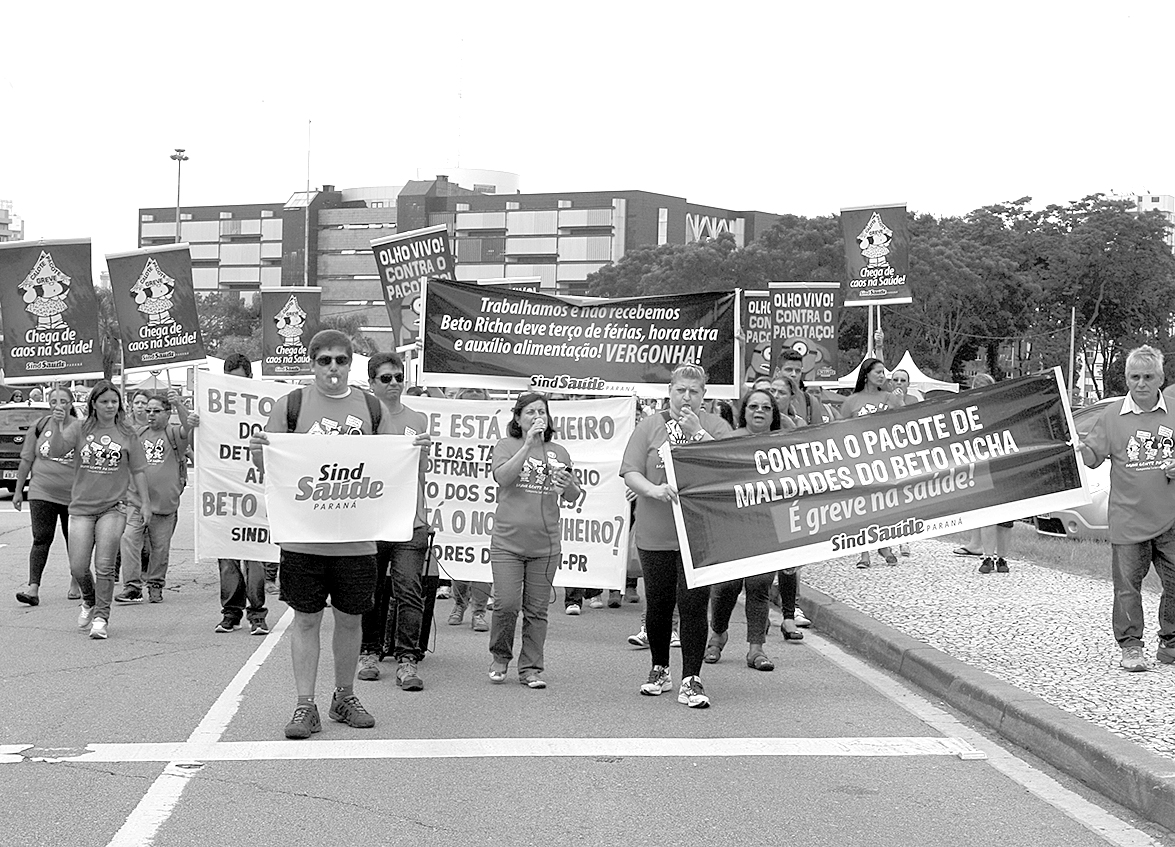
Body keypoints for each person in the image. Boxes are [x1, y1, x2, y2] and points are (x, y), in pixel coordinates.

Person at [250, 330, 394, 738]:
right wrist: (261, 447)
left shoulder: (371, 406)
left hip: (356, 538)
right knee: (307, 620)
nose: (333, 367)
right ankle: (304, 705)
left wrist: (412, 449)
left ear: (352, 364)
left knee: (350, 621)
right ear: (312, 363)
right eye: (325, 360)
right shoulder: (291, 406)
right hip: (303, 537)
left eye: (341, 360)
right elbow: (270, 468)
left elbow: (386, 465)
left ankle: (344, 697)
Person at [622, 362, 732, 708]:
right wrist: (652, 491)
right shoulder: (650, 427)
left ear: (704, 395)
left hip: (698, 534)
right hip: (656, 532)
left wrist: (699, 433)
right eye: (680, 390)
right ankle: (659, 668)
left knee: (693, 604)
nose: (686, 397)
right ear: (669, 391)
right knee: (658, 604)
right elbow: (630, 471)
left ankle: (691, 679)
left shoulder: (714, 425)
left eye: (694, 391)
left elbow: (728, 465)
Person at [1077, 345, 1175, 672]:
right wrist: (1079, 447)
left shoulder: (1174, 412)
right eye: (1135, 377)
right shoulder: (1112, 415)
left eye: (1149, 377)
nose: (1142, 383)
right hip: (1127, 520)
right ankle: (1131, 646)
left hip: (1170, 519)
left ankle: (1170, 642)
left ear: (1161, 378)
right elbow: (1091, 457)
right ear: (1126, 379)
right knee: (1127, 589)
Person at [487, 392, 581, 688]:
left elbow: (574, 496)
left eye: (542, 411)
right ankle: (500, 656)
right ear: (517, 418)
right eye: (530, 412)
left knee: (537, 611)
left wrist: (568, 486)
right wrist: (528, 445)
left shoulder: (560, 452)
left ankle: (530, 668)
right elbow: (502, 477)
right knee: (506, 604)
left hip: (545, 546)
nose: (538, 416)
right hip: (508, 543)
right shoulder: (506, 446)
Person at [51, 381, 150, 640]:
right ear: (93, 403)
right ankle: (89, 599)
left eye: (114, 401)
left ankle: (101, 617)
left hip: (114, 507)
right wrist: (59, 424)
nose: (109, 406)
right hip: (82, 508)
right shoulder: (80, 428)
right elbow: (56, 450)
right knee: (78, 567)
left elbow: (138, 470)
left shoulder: (127, 433)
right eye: (104, 401)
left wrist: (146, 503)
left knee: (105, 565)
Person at [357, 352, 431, 690]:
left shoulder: (418, 420)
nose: (394, 384)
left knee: (409, 589)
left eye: (399, 377)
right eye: (386, 378)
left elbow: (420, 473)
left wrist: (424, 452)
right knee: (369, 589)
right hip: (372, 519)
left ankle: (407, 659)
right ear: (372, 383)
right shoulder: (360, 419)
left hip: (410, 520)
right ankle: (369, 651)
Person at [705, 388, 783, 671]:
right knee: (726, 585)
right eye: (753, 406)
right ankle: (717, 634)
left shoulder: (785, 444)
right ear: (744, 411)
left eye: (765, 407)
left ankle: (756, 649)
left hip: (769, 526)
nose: (759, 411)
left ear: (774, 414)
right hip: (732, 525)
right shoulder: (730, 442)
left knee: (759, 585)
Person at [208, 354, 273, 634]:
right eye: (229, 380)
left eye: (239, 380)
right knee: (227, 557)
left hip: (255, 492)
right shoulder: (213, 408)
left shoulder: (264, 408)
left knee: (255, 556)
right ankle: (230, 613)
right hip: (226, 492)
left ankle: (257, 614)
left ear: (250, 379)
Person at [114, 389, 195, 605]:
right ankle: (132, 587)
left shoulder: (174, 433)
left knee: (160, 548)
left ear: (167, 413)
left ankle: (156, 585)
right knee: (129, 539)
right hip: (137, 502)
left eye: (156, 411)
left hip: (165, 504)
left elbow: (191, 429)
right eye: (148, 410)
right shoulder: (138, 434)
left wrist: (179, 404)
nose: (151, 415)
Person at [13, 386, 79, 606]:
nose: (58, 405)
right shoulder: (40, 426)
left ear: (71, 404)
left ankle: (76, 580)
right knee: (41, 537)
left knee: (75, 541)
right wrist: (18, 490)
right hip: (42, 491)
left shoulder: (79, 428)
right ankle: (33, 588)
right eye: (53, 401)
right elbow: (26, 459)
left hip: (73, 495)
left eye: (63, 401)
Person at [840, 358, 900, 567]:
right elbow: (841, 432)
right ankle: (864, 554)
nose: (882, 375)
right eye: (878, 372)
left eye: (884, 372)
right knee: (864, 506)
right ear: (866, 374)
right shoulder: (851, 401)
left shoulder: (890, 398)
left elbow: (903, 423)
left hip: (885, 459)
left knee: (884, 504)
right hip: (860, 460)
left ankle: (884, 545)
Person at [448, 387, 493, 632]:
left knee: (483, 560)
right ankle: (459, 604)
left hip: (485, 503)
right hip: (458, 501)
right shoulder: (451, 428)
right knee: (459, 558)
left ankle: (479, 611)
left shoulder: (497, 426)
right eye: (468, 393)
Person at [775, 349, 836, 425]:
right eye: (789, 370)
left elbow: (817, 433)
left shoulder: (810, 401)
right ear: (778, 371)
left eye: (798, 371)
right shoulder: (767, 397)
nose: (793, 374)